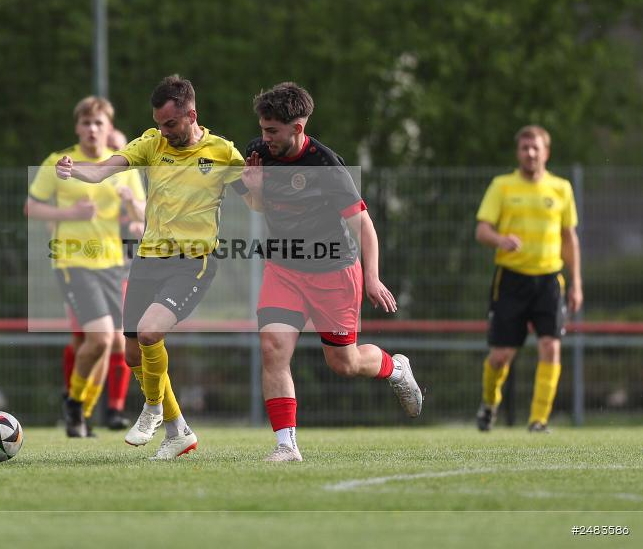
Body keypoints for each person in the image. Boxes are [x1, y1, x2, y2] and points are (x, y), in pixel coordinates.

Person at [56, 74, 246, 459]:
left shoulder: (224, 152)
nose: (163, 131)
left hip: (192, 262)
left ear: (191, 114)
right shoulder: (151, 143)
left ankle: (154, 409)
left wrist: (259, 181)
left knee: (148, 333)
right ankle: (179, 431)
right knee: (131, 357)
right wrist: (74, 168)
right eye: (159, 123)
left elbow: (256, 201)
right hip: (148, 260)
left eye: (170, 124)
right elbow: (101, 170)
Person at [234, 82, 423, 462]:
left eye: (273, 131)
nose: (264, 137)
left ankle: (395, 367)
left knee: (344, 363)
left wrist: (372, 277)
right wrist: (253, 189)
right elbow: (258, 207)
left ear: (298, 129)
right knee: (273, 349)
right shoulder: (258, 154)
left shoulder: (327, 166)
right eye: (263, 128)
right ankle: (286, 445)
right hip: (284, 268)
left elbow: (364, 226)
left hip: (334, 272)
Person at [26, 96, 145, 438]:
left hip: (113, 264)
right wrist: (69, 214)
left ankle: (77, 407)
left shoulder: (121, 166)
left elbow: (142, 216)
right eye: (86, 123)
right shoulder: (59, 162)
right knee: (100, 338)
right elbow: (31, 207)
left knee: (110, 344)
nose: (92, 129)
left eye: (99, 123)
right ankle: (79, 409)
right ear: (77, 127)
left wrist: (132, 204)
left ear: (110, 130)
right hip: (73, 262)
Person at [475, 125, 582, 433]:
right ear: (518, 153)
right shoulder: (502, 186)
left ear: (546, 152)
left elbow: (569, 238)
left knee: (551, 346)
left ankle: (538, 420)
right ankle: (488, 403)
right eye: (525, 148)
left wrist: (576, 282)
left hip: (549, 279)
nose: (530, 153)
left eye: (536, 148)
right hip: (511, 279)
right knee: (500, 356)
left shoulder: (561, 188)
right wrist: (500, 240)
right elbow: (481, 230)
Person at [59, 127, 140, 432]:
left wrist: (135, 214)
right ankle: (74, 403)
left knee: (115, 342)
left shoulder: (130, 190)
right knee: (88, 340)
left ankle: (109, 410)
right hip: (87, 271)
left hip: (123, 272)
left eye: (122, 151)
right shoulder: (91, 191)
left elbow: (145, 220)